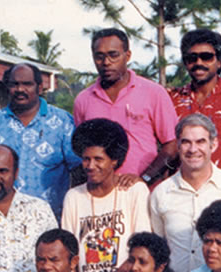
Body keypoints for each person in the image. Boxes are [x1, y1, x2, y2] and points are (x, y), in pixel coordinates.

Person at [0, 63, 81, 219]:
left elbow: (79, 171)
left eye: (27, 84)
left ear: (40, 88)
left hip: (50, 222)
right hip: (1, 222)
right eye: (15, 84)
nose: (20, 89)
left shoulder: (62, 122)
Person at [150, 113, 221, 272]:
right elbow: (159, 247)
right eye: (186, 142)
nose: (193, 149)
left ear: (214, 145)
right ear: (178, 146)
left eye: (200, 142)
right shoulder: (161, 193)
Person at [73, 28, 177, 185]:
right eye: (99, 57)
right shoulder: (83, 100)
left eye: (113, 55)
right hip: (99, 195)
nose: (106, 62)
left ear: (127, 56)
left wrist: (144, 179)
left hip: (143, 192)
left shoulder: (153, 92)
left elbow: (172, 144)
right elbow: (83, 151)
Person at [61, 119, 151, 272]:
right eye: (86, 159)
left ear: (114, 161)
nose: (91, 166)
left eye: (98, 159)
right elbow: (69, 256)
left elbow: (140, 251)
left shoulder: (134, 191)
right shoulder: (74, 197)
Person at [168, 29, 221, 179]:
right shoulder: (172, 98)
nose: (198, 63)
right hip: (183, 188)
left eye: (206, 57)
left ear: (219, 62)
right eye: (191, 58)